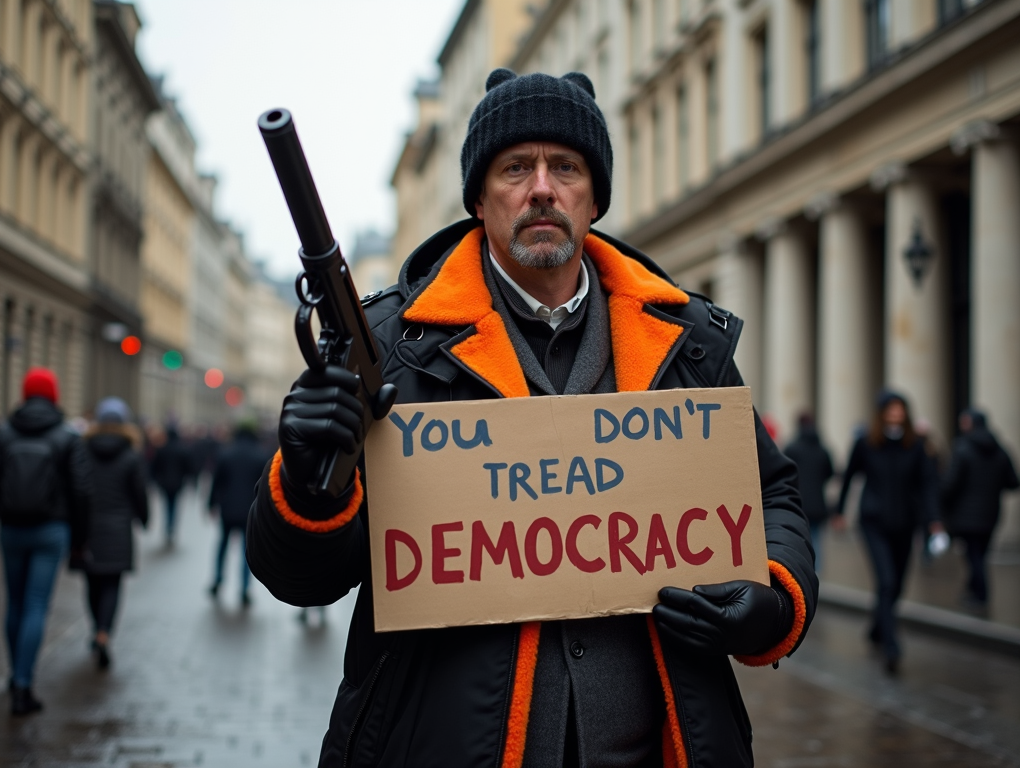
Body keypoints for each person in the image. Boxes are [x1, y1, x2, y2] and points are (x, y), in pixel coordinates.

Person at [247, 69, 816, 766]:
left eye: (565, 167)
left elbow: (773, 495)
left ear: (594, 198)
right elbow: (300, 578)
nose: (542, 187)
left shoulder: (683, 341)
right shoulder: (391, 346)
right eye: (516, 167)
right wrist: (310, 483)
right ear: (479, 200)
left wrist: (775, 599)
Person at [0, 368, 93, 715]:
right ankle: (23, 683)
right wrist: (80, 539)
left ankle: (14, 675)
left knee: (15, 604)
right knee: (37, 605)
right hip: (51, 530)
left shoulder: (4, 432)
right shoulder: (67, 436)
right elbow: (80, 491)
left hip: (11, 529)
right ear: (54, 394)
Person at [835, 390, 941, 674]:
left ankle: (876, 629)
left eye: (900, 410)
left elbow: (928, 484)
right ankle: (892, 646)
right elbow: (849, 477)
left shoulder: (916, 445)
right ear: (881, 413)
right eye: (891, 410)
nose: (896, 414)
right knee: (886, 581)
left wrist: (934, 520)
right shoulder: (866, 443)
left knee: (897, 585)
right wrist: (840, 511)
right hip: (874, 522)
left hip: (906, 523)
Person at [80, 397, 149, 669]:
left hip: (89, 527)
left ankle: (96, 628)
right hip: (119, 528)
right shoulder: (130, 454)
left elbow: (77, 488)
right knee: (112, 584)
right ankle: (104, 633)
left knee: (92, 582)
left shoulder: (83, 450)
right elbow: (139, 492)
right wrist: (144, 518)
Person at [941, 409, 1019, 609]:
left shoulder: (963, 448)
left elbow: (951, 483)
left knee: (974, 554)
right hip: (991, 512)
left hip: (966, 514)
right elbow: (1013, 481)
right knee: (979, 553)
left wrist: (942, 502)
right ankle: (973, 589)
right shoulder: (1000, 450)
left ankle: (980, 593)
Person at [207, 422, 270, 607]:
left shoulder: (226, 453)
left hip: (227, 509)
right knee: (246, 550)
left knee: (222, 545)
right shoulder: (260, 455)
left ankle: (218, 580)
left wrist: (211, 504)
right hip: (250, 512)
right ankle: (244, 588)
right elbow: (265, 488)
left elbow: (216, 482)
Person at [784, 413, 835, 574]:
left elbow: (783, 474)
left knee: (797, 538)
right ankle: (816, 573)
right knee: (817, 538)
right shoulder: (823, 450)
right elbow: (830, 473)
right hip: (818, 504)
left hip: (797, 502)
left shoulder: (791, 449)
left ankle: (800, 571)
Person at [150, 425, 191, 546]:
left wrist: (156, 480)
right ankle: (171, 526)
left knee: (167, 505)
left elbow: (155, 467)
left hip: (165, 483)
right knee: (174, 505)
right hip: (177, 483)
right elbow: (187, 467)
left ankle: (168, 526)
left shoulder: (162, 449)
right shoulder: (182, 449)